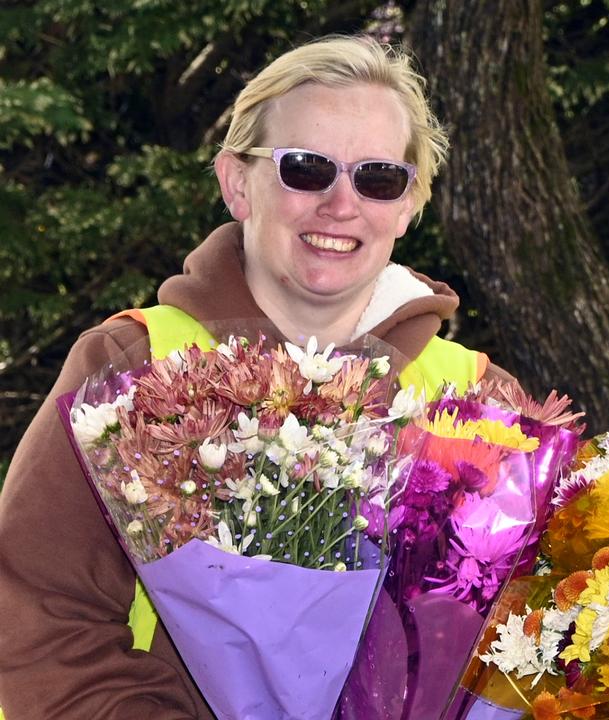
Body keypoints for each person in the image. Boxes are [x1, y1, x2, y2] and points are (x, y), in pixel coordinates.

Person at [0, 35, 512, 718]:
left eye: (378, 178)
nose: (341, 203)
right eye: (306, 168)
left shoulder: (478, 400)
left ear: (410, 203)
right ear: (237, 182)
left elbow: (535, 643)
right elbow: (38, 618)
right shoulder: (129, 367)